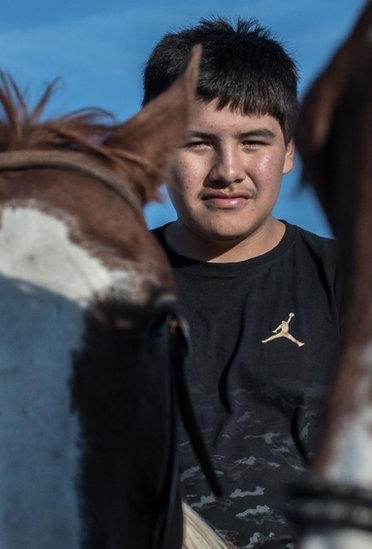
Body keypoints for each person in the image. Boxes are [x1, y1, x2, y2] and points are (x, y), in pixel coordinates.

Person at [143, 18, 341, 547]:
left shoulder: (358, 287)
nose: (228, 170)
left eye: (254, 142)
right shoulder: (102, 293)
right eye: (198, 143)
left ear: (289, 152)